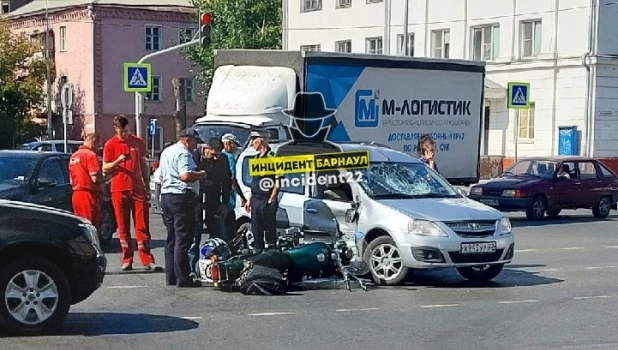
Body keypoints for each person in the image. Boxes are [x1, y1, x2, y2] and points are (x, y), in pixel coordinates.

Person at [102, 115, 161, 271]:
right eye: (122, 132)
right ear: (116, 130)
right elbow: (105, 167)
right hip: (119, 189)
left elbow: (143, 165)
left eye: (127, 131)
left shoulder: (137, 142)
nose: (125, 134)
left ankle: (147, 259)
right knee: (123, 226)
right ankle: (127, 259)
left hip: (137, 189)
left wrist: (147, 186)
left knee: (142, 225)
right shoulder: (110, 145)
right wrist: (118, 161)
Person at [159, 128, 206, 288]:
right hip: (180, 196)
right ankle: (183, 277)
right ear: (187, 140)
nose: (195, 145)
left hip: (166, 195)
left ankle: (171, 276)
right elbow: (185, 176)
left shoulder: (167, 151)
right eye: (194, 142)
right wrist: (200, 174)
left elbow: (160, 175)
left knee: (171, 237)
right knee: (183, 238)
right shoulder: (183, 154)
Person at [188, 137, 231, 279]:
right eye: (212, 155)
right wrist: (196, 202)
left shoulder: (222, 160)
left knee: (219, 236)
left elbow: (226, 182)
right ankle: (191, 270)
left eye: (218, 155)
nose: (215, 158)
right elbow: (191, 181)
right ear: (206, 148)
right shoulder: (195, 157)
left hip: (214, 201)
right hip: (198, 202)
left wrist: (225, 203)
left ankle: (218, 267)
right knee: (194, 238)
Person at [243, 131, 280, 250]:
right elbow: (255, 181)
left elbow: (278, 181)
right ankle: (258, 254)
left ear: (261, 140)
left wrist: (271, 199)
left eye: (253, 140)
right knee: (256, 230)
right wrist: (249, 199)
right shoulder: (256, 158)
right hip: (255, 199)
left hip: (266, 199)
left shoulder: (273, 156)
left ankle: (271, 256)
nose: (251, 143)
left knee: (269, 230)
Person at [69, 133, 103, 230]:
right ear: (93, 142)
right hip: (89, 195)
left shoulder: (74, 156)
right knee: (90, 225)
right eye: (98, 145)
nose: (98, 148)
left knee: (80, 224)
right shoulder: (91, 156)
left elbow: (71, 179)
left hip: (76, 194)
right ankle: (90, 245)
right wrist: (106, 178)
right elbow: (95, 179)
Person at [220, 133, 247, 240]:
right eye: (235, 145)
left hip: (216, 199)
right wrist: (242, 196)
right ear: (229, 144)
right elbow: (232, 179)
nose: (235, 148)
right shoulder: (229, 157)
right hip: (228, 201)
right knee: (229, 231)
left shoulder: (216, 155)